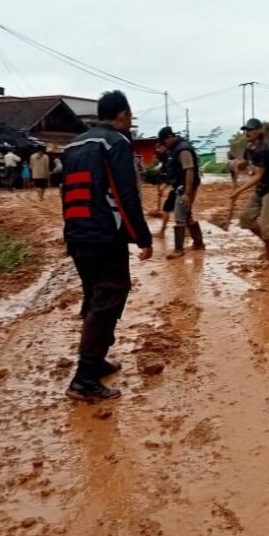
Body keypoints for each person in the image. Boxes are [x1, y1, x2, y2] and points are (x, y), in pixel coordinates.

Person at [61, 90, 153, 402]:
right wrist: (142, 237)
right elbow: (126, 194)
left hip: (77, 234)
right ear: (124, 114)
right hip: (104, 236)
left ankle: (96, 360)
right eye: (130, 116)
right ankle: (85, 375)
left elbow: (67, 192)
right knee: (110, 295)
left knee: (95, 294)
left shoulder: (74, 144)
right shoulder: (116, 143)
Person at [232, 118, 269, 264]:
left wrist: (239, 191)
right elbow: (246, 162)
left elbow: (258, 176)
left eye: (250, 129)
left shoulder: (264, 150)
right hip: (261, 188)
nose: (247, 132)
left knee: (267, 224)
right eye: (246, 130)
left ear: (260, 131)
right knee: (245, 218)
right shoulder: (249, 147)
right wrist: (240, 164)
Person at [158, 126, 206, 259]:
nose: (164, 145)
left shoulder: (183, 150)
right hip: (183, 186)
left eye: (164, 141)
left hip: (185, 188)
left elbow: (189, 170)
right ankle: (198, 243)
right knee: (187, 215)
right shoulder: (177, 149)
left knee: (179, 217)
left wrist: (187, 193)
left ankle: (179, 250)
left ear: (169, 137)